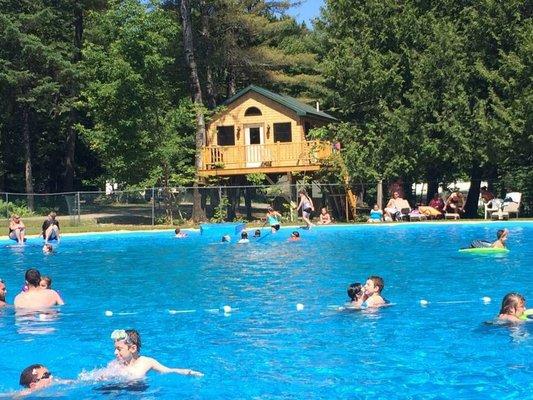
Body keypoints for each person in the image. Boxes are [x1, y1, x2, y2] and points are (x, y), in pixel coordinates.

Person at [109, 329, 203, 378]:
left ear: (133, 348)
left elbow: (168, 371)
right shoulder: (116, 364)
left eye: (119, 349)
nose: (115, 352)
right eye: (115, 349)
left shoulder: (147, 362)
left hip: (138, 391)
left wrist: (189, 372)